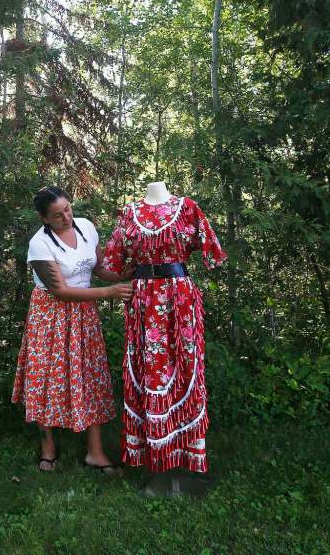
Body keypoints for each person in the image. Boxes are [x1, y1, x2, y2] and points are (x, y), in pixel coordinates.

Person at [103, 181, 226, 474]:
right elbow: (113, 261)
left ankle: (184, 454)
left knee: (184, 368)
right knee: (147, 367)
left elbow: (212, 253)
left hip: (179, 298)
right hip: (143, 299)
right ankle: (154, 454)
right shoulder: (128, 213)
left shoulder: (188, 209)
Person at [11, 186, 134, 473]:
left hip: (84, 316)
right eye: (57, 215)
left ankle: (95, 451)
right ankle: (48, 447)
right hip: (50, 316)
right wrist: (110, 292)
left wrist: (124, 274)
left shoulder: (86, 228)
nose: (66, 217)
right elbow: (62, 292)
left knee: (90, 377)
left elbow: (99, 268)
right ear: (45, 219)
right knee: (45, 378)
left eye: (68, 209)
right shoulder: (39, 244)